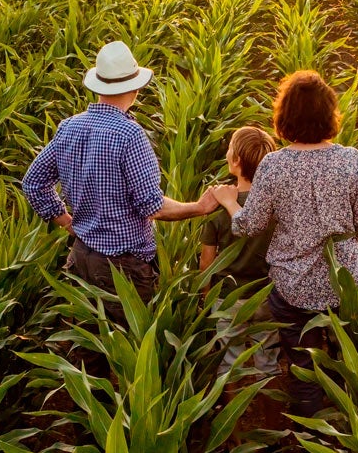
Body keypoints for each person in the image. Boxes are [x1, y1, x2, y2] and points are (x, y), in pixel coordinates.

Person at [213, 70, 358, 419]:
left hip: (293, 289)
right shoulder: (351, 160)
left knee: (303, 369)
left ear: (284, 118)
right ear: (330, 114)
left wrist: (228, 203)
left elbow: (249, 226)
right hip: (347, 284)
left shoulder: (273, 165)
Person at [22, 40, 219, 317]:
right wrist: (198, 207)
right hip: (122, 269)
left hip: (80, 256)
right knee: (125, 348)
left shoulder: (69, 127)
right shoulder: (130, 135)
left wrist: (65, 221)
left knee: (86, 348)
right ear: (134, 88)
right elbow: (153, 206)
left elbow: (33, 182)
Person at [200, 126, 280, 380]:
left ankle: (231, 418)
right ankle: (273, 419)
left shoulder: (217, 207)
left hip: (228, 298)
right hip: (267, 295)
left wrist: (206, 297)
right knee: (267, 362)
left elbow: (207, 261)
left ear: (235, 161)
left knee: (228, 364)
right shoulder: (275, 204)